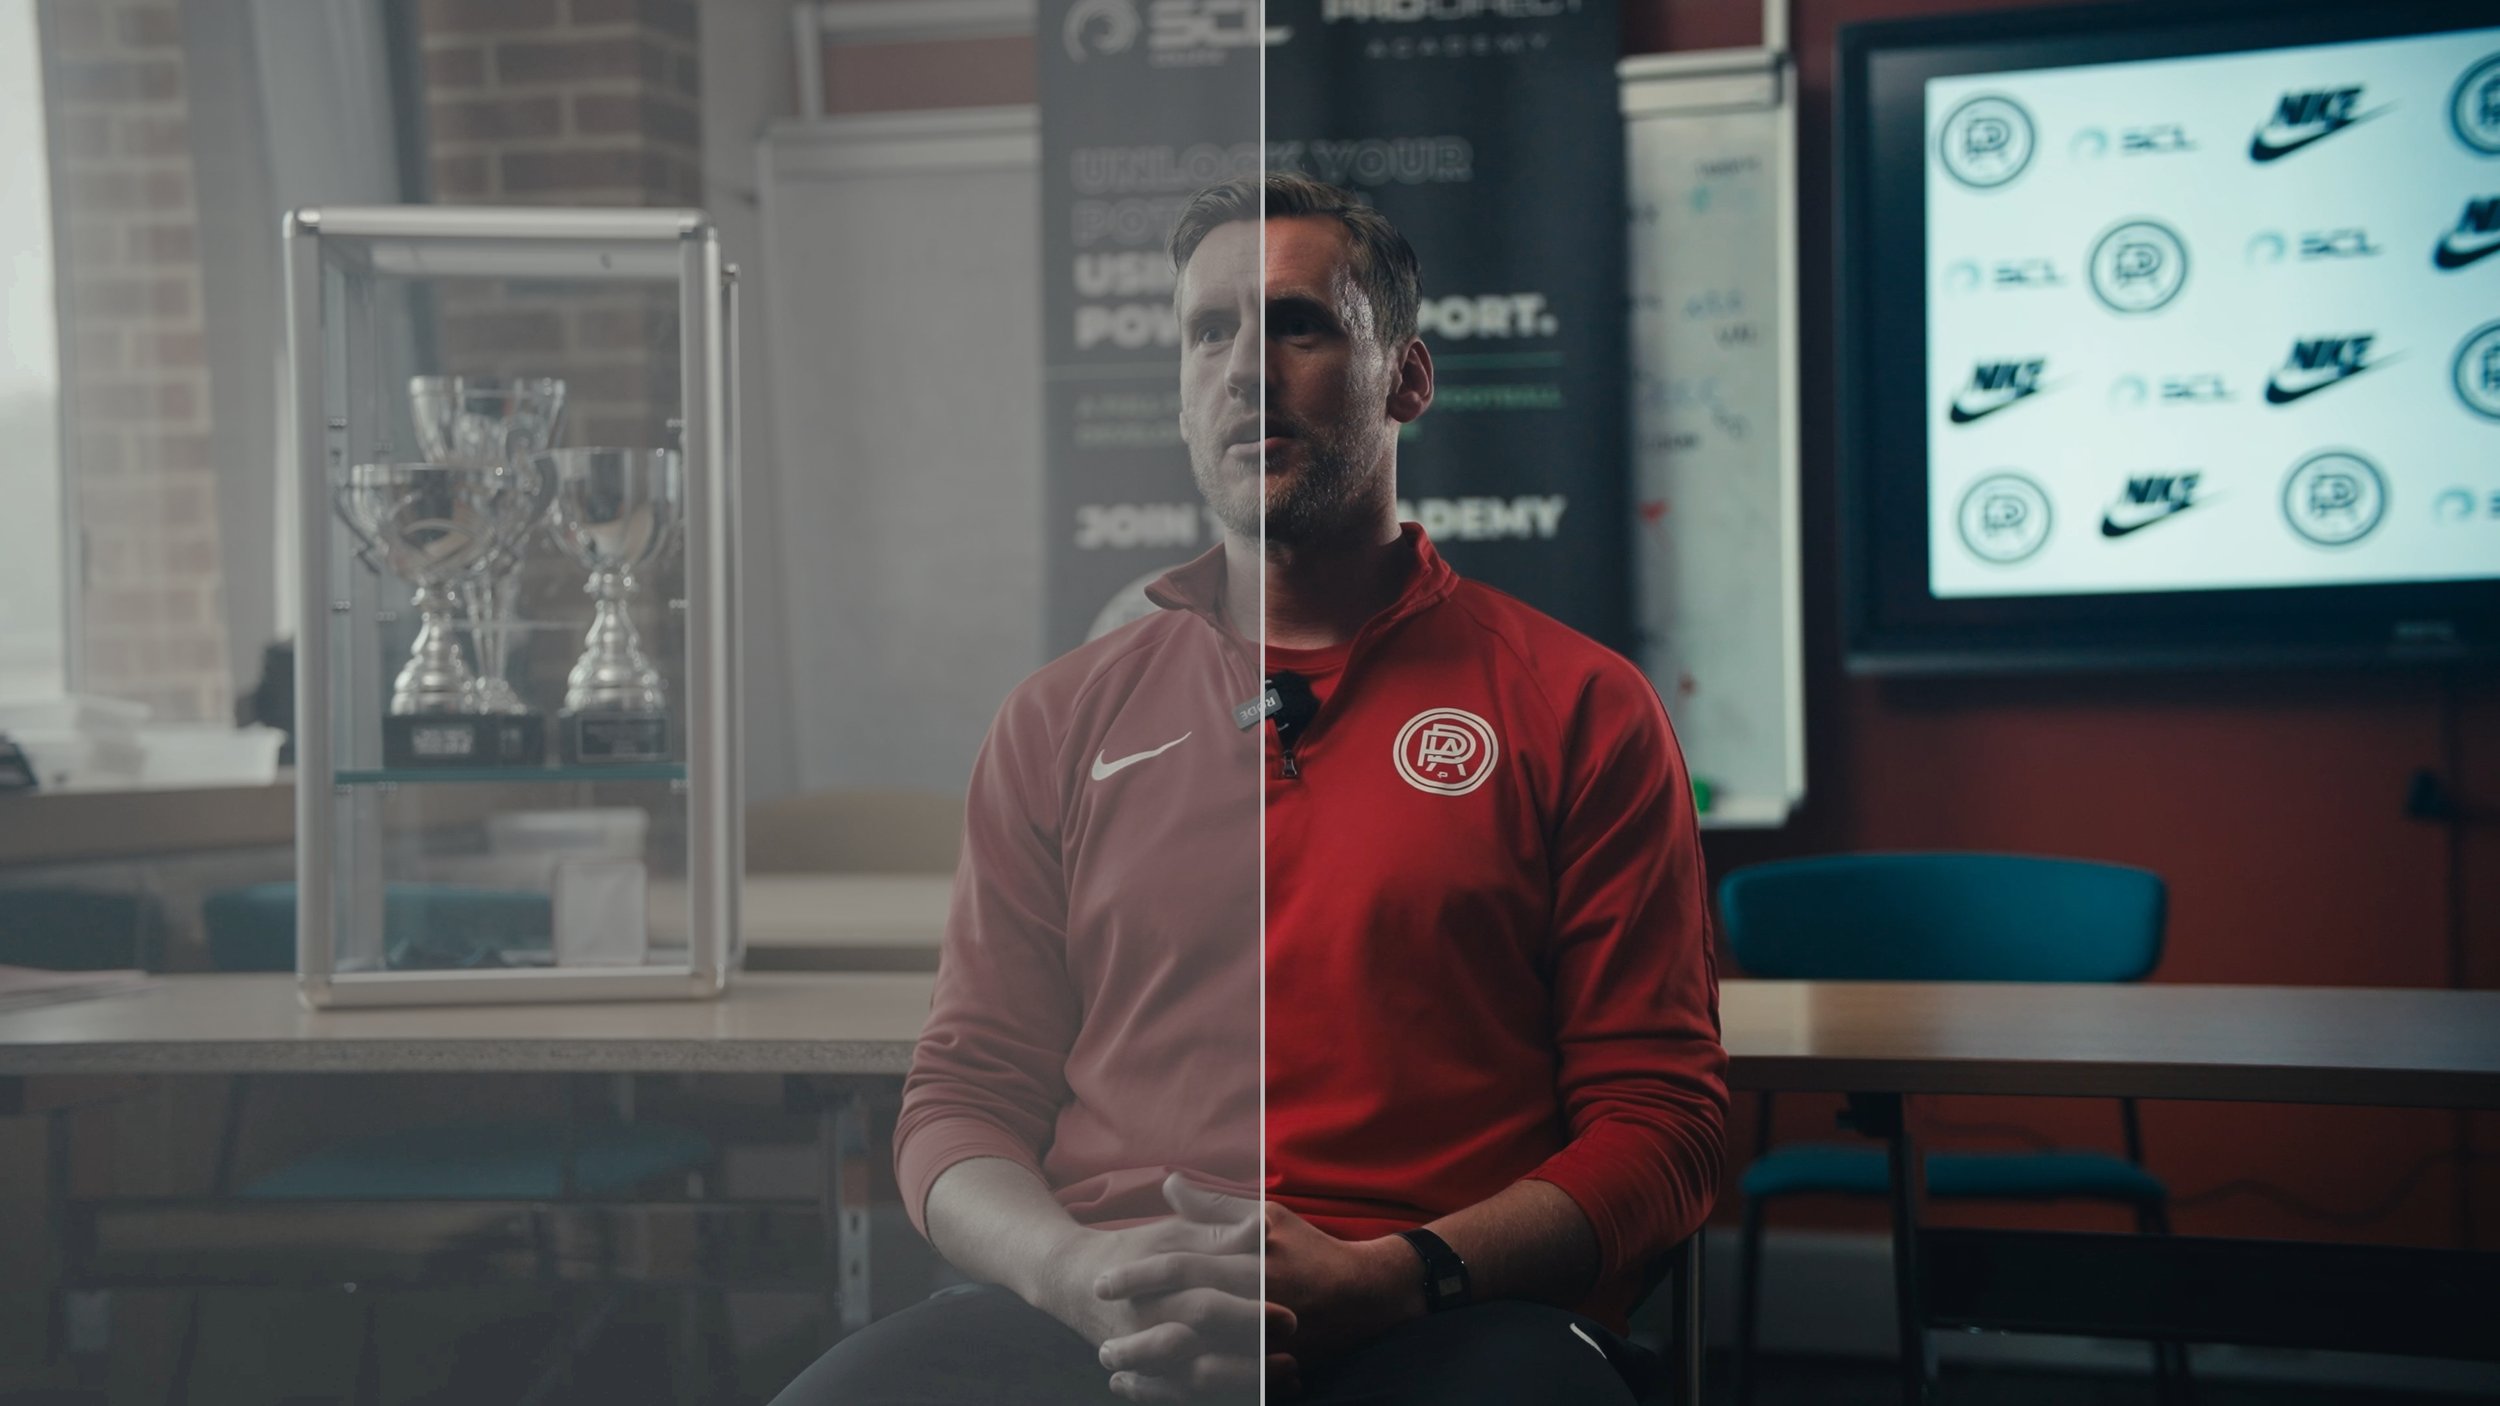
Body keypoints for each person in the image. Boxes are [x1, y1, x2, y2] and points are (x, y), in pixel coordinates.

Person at [770, 173, 1726, 1406]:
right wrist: (1077, 1272)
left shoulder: (1580, 705)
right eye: (1208, 332)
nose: (1244, 370)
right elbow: (961, 1099)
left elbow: (1663, 1124)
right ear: (1179, 393)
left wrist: (1400, 1274)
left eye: (1298, 325)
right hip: (1102, 1303)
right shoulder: (1056, 717)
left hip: (1445, 1307)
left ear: (1408, 379)